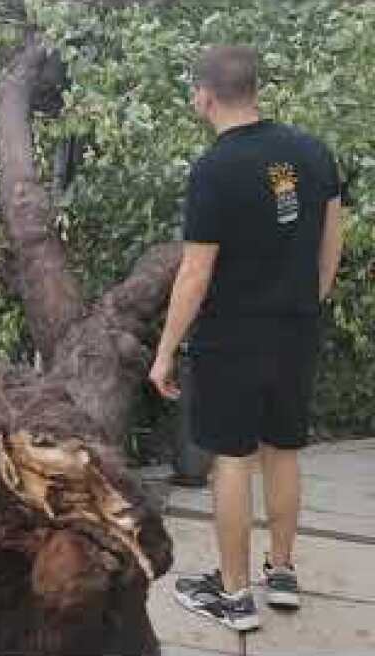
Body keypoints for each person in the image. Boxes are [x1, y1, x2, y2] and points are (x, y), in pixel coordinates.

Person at [149, 45, 345, 632]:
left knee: (232, 461)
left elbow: (195, 273)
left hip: (233, 337)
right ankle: (281, 572)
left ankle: (234, 596)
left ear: (204, 95)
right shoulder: (312, 153)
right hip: (297, 328)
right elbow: (331, 238)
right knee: (283, 450)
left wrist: (162, 355)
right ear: (254, 89)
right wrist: (307, 300)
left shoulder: (215, 169)